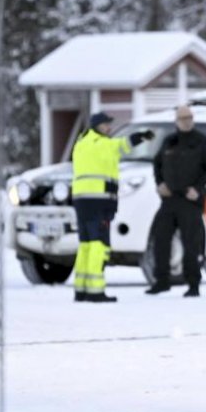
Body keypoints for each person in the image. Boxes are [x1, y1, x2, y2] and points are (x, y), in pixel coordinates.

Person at [71, 112, 153, 302]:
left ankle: (81, 289)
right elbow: (122, 145)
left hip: (81, 201)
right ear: (96, 126)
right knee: (100, 245)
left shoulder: (81, 144)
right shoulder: (103, 144)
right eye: (105, 125)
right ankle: (95, 291)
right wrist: (141, 136)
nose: (109, 128)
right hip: (99, 201)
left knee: (86, 245)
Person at [146, 105, 206, 297]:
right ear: (176, 121)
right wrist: (160, 183)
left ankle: (193, 284)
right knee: (160, 240)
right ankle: (161, 281)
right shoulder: (169, 141)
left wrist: (199, 189)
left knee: (191, 244)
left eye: (189, 117)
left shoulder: (202, 142)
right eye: (182, 118)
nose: (186, 121)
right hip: (169, 199)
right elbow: (157, 165)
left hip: (190, 200)